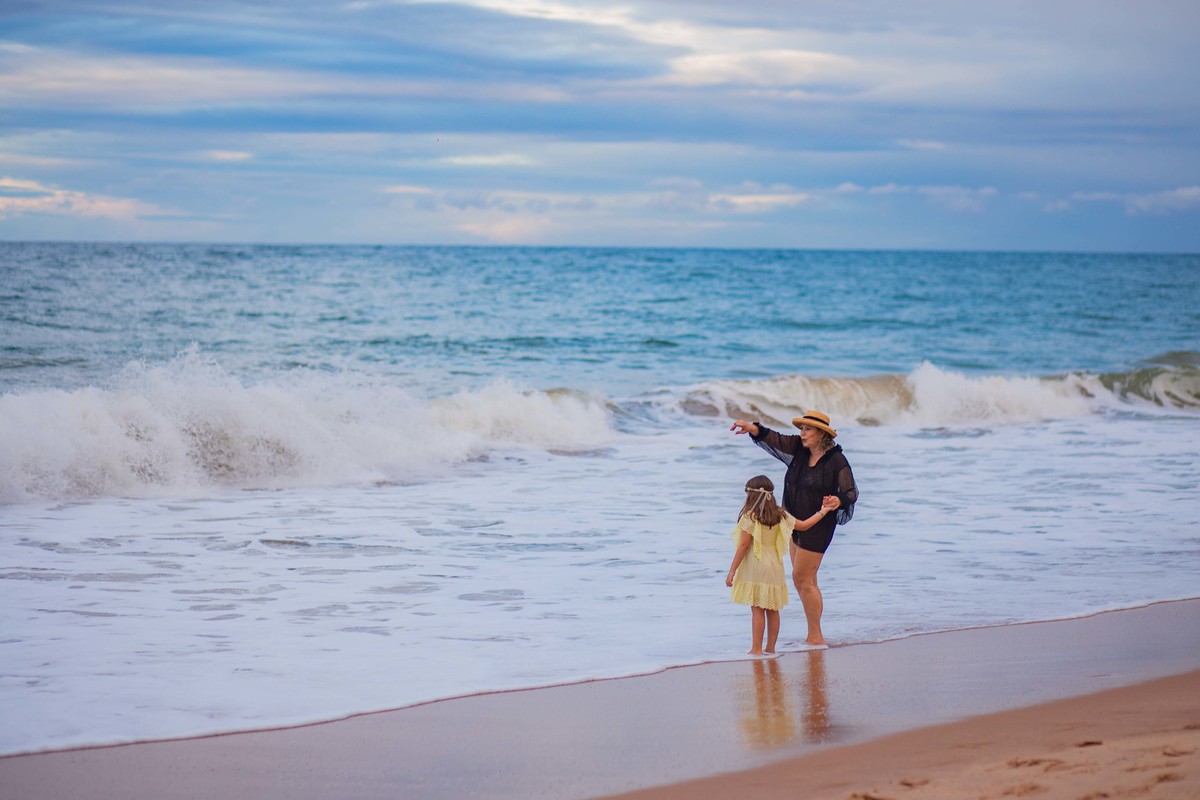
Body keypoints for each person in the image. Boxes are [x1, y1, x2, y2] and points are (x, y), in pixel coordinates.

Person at [730, 410, 857, 648]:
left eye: (808, 429)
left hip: (818, 525)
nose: (803, 433)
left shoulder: (836, 461)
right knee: (807, 580)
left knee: (802, 578)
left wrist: (837, 500)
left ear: (821, 434)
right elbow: (774, 439)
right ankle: (814, 634)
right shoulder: (799, 448)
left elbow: (850, 492)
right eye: (802, 429)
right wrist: (752, 428)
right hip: (794, 522)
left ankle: (816, 636)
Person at [725, 475, 839, 655]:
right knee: (773, 608)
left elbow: (744, 545)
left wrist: (732, 570)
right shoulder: (781, 515)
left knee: (757, 609)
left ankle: (756, 649)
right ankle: (770, 648)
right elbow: (804, 525)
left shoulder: (750, 517)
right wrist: (823, 511)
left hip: (757, 565)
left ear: (751, 496)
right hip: (775, 567)